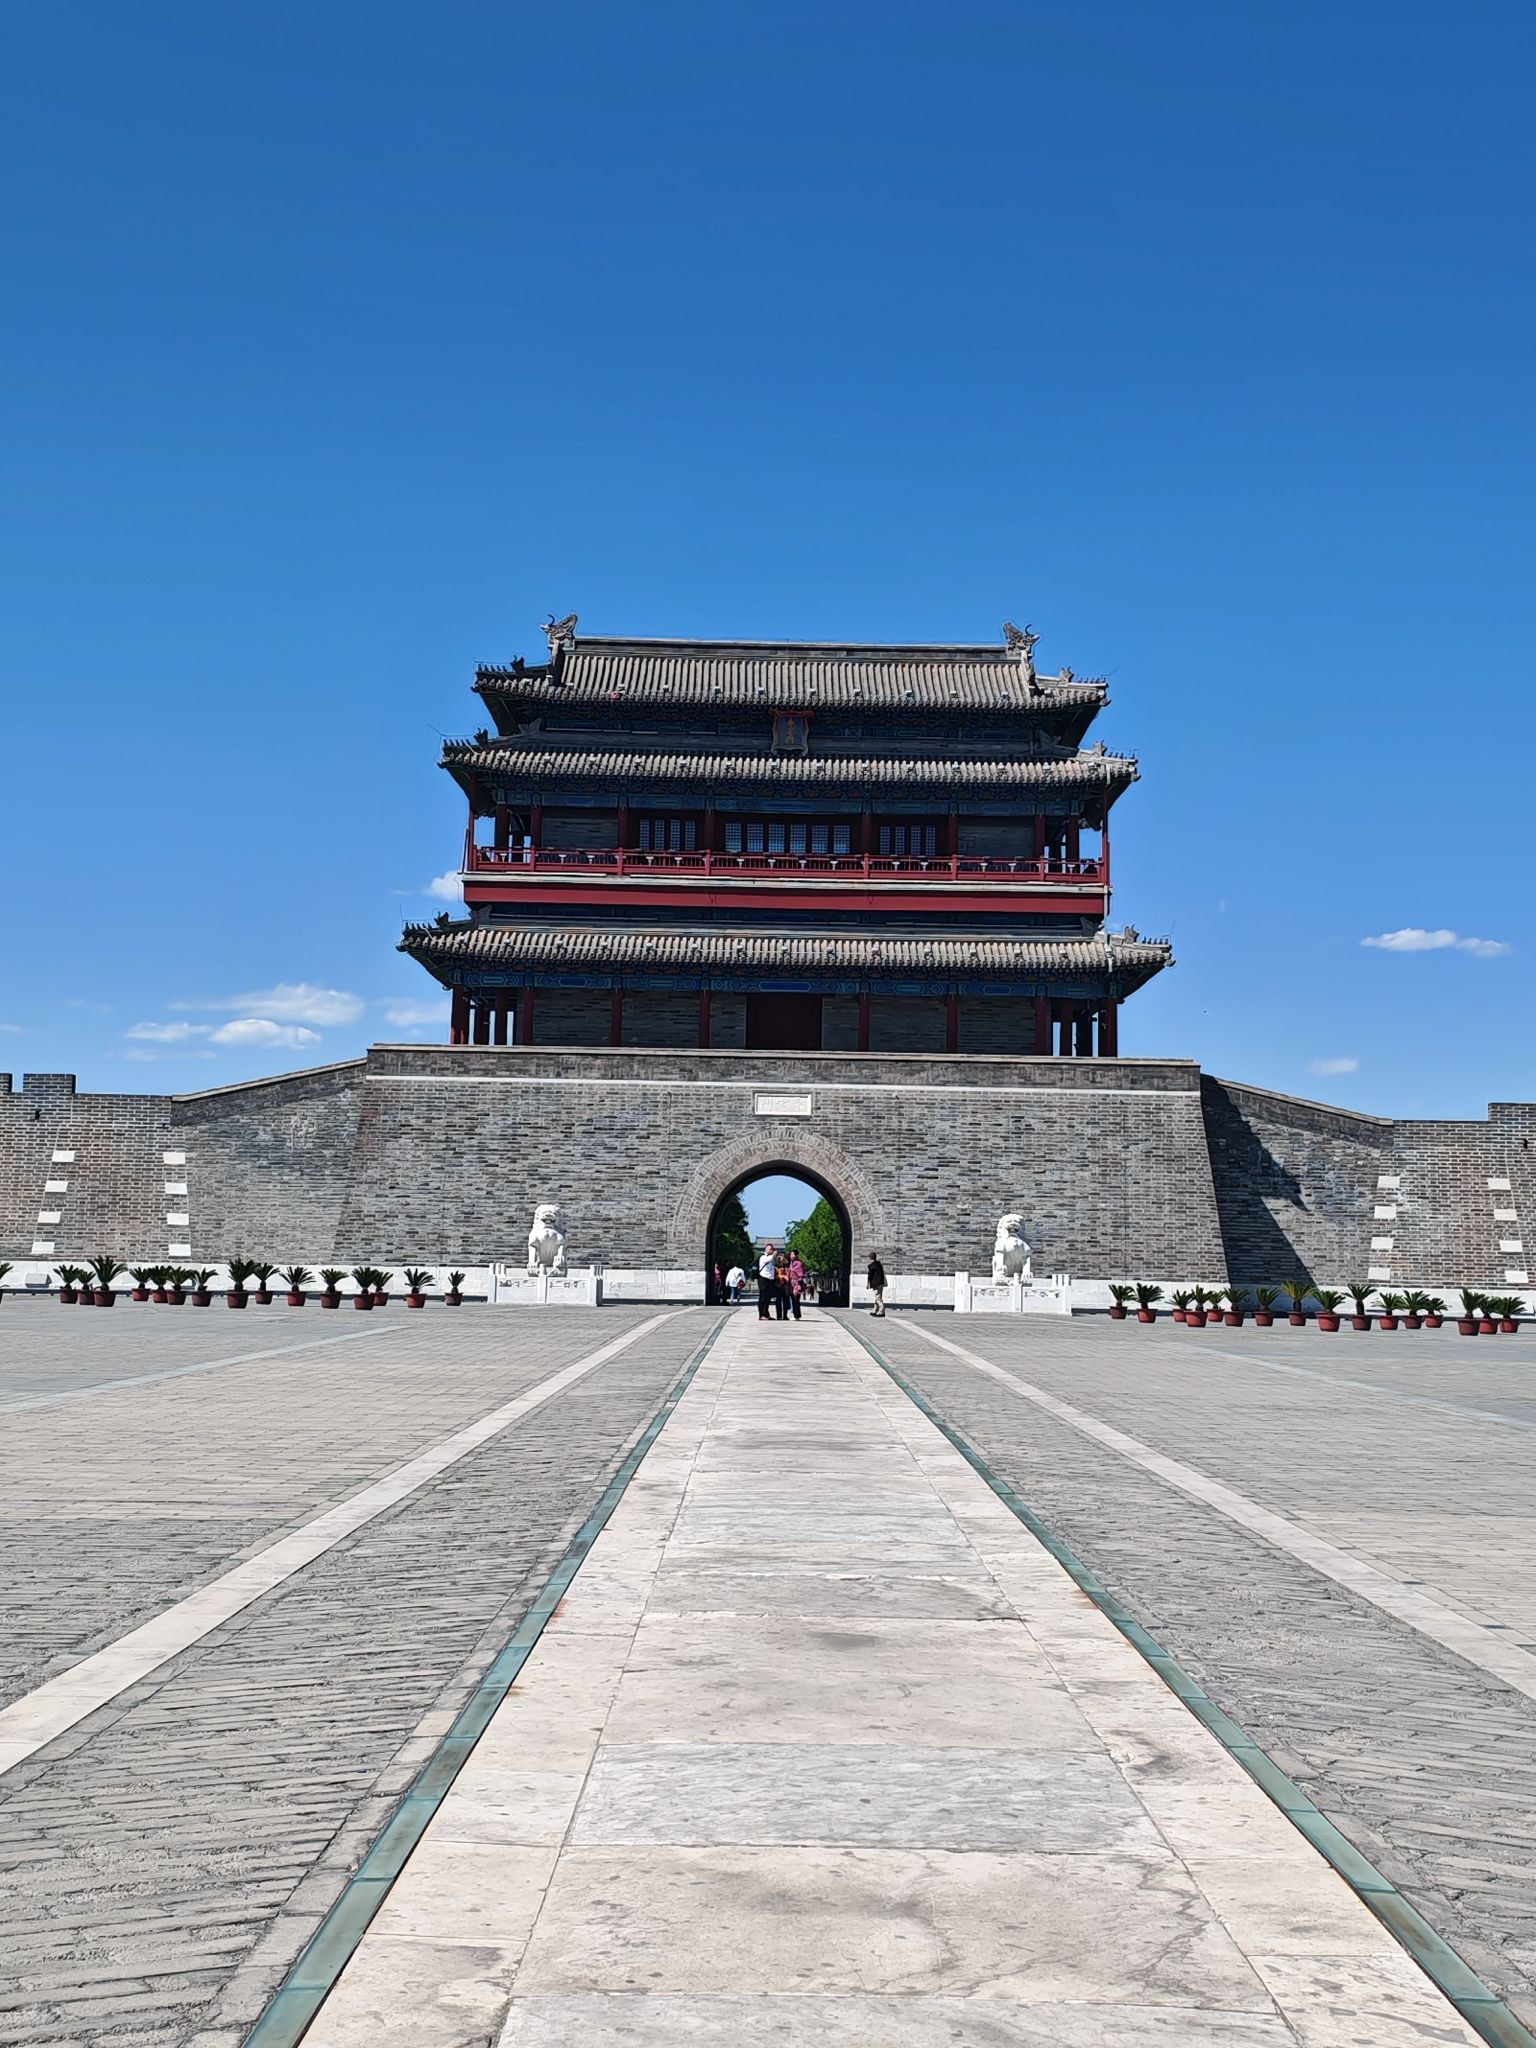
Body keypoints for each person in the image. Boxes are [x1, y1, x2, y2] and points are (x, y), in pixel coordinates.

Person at [757, 1241, 778, 1320]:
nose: (771, 1251)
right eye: (770, 1249)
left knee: (768, 1298)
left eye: (772, 1249)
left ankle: (766, 1314)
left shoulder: (772, 1258)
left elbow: (776, 1262)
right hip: (763, 1279)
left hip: (770, 1279)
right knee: (762, 1297)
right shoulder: (763, 1257)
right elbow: (770, 1258)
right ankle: (761, 1314)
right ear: (766, 1250)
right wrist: (774, 1254)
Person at [866, 1251, 887, 1317]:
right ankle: (875, 1310)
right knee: (878, 1297)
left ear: (870, 1258)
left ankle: (881, 1311)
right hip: (881, 1283)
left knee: (878, 1297)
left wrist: (867, 1284)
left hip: (876, 1283)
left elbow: (870, 1276)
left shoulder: (872, 1266)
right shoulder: (879, 1265)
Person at [787, 1251, 806, 1320]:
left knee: (796, 1299)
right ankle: (796, 1314)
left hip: (796, 1283)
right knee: (793, 1299)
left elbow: (801, 1274)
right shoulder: (791, 1263)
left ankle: (797, 1315)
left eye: (792, 1254)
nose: (790, 1256)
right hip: (791, 1283)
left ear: (796, 1255)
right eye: (790, 1254)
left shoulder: (799, 1263)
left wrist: (799, 1283)